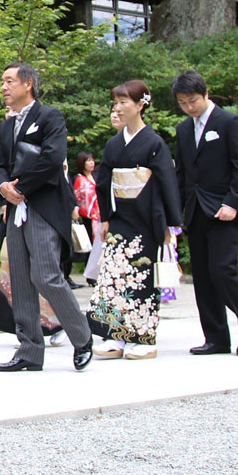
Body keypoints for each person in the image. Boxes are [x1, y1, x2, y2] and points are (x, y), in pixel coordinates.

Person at [0, 62, 93, 373]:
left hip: (44, 205)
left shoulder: (49, 116)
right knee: (20, 278)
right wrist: (4, 187)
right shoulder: (7, 126)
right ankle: (30, 350)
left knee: (46, 274)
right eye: (3, 81)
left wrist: (20, 188)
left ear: (28, 84)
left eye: (10, 81)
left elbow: (53, 157)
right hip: (17, 208)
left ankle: (82, 336)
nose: (4, 87)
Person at [88, 80, 182, 360]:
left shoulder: (154, 143)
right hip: (119, 218)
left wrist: (169, 223)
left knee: (141, 278)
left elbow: (167, 182)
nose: (118, 107)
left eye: (123, 102)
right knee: (113, 277)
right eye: (115, 102)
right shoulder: (114, 144)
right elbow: (103, 183)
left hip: (146, 218)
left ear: (141, 104)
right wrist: (105, 217)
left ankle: (144, 337)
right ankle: (114, 335)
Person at [172, 70, 238, 357]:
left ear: (206, 94)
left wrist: (233, 202)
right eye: (183, 103)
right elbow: (182, 174)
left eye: (193, 101)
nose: (189, 107)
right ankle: (216, 338)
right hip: (195, 211)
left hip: (224, 209)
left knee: (222, 269)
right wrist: (176, 211)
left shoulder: (229, 121)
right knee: (203, 277)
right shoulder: (184, 129)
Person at [73, 152, 102, 285]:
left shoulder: (96, 176)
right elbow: (76, 196)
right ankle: (90, 274)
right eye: (88, 160)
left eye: (92, 160)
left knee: (99, 244)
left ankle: (98, 272)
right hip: (87, 215)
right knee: (89, 244)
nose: (91, 163)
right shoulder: (79, 178)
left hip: (99, 215)